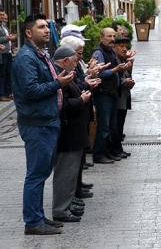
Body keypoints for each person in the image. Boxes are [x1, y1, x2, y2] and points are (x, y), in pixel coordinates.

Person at [12, 13, 74, 235]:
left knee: (41, 173)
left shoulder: (41, 54)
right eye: (41, 27)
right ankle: (32, 222)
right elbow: (30, 91)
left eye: (47, 27)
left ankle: (38, 216)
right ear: (29, 33)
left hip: (48, 121)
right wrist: (58, 83)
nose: (47, 30)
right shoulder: (26, 58)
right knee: (36, 175)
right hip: (37, 123)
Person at [51, 45, 93, 223]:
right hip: (68, 133)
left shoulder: (67, 74)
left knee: (71, 172)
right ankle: (61, 209)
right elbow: (64, 104)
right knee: (65, 173)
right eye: (74, 61)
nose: (76, 64)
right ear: (65, 60)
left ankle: (66, 204)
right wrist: (81, 99)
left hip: (74, 131)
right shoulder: (60, 76)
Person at [91, 28, 130, 164]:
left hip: (112, 93)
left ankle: (108, 152)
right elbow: (98, 73)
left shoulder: (110, 52)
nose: (112, 39)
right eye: (109, 36)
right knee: (104, 126)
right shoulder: (98, 53)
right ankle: (98, 154)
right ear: (101, 38)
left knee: (111, 126)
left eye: (113, 36)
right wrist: (115, 70)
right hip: (103, 94)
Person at [110, 36, 135, 157]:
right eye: (121, 46)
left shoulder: (122, 59)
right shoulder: (114, 60)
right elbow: (115, 79)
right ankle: (115, 149)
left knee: (120, 123)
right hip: (117, 97)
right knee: (116, 124)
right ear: (114, 47)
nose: (124, 49)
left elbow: (127, 74)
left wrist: (130, 64)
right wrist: (126, 82)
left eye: (126, 46)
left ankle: (118, 148)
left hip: (124, 97)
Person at [0, 7, 16, 101]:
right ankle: (2, 94)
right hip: (2, 53)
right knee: (2, 74)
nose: (3, 16)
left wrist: (11, 40)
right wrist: (8, 38)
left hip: (8, 51)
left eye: (3, 14)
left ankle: (8, 92)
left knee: (9, 73)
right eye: (1, 15)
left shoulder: (4, 25)